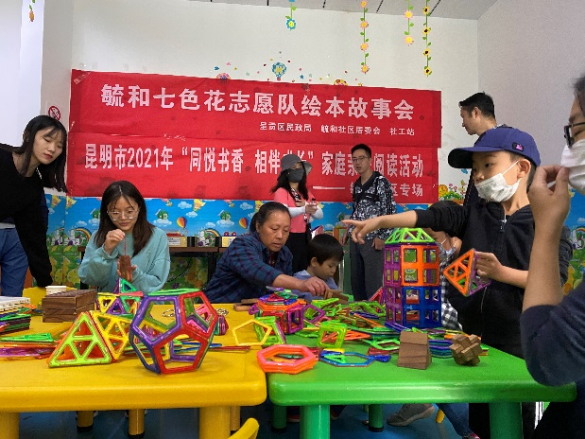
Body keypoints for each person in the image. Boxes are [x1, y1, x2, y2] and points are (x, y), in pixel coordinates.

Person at [344, 126, 573, 439]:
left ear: (521, 168)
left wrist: (501, 273)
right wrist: (382, 221)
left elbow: (553, 281)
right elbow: (430, 217)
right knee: (481, 421)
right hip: (477, 341)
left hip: (521, 348)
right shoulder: (475, 215)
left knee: (517, 423)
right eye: (475, 169)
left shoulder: (545, 223)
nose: (479, 175)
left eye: (487, 165)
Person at [520, 73, 585, 439]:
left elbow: (548, 361)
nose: (479, 176)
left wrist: (546, 227)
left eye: (576, 130)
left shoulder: (535, 218)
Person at [387, 201, 479, 439]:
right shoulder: (429, 255)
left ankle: (468, 429)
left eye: (434, 236)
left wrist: (424, 304)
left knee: (430, 363)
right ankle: (418, 401)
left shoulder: (464, 257)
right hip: (431, 323)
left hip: (454, 330)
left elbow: (466, 311)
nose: (428, 242)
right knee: (405, 340)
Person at [205, 201, 327, 303]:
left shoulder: (285, 254)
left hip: (254, 313)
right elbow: (257, 271)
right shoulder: (241, 245)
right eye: (274, 229)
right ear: (258, 226)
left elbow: (281, 292)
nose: (280, 236)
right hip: (218, 310)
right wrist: (301, 284)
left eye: (286, 230)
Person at [0, 115, 68, 291]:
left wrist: (45, 280)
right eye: (47, 140)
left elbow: (33, 234)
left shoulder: (33, 186)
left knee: (12, 302)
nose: (52, 148)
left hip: (13, 240)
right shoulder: (2, 157)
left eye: (59, 145)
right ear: (28, 135)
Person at [78, 180, 170, 293]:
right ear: (106, 212)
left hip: (144, 303)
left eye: (129, 211)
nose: (123, 217)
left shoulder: (157, 237)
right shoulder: (99, 236)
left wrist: (134, 276)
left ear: (139, 208)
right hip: (108, 303)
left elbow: (157, 284)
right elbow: (89, 279)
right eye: (115, 212)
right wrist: (106, 251)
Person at [342, 143, 396, 301]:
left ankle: (374, 313)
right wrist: (348, 230)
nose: (357, 163)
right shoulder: (357, 184)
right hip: (356, 238)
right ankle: (360, 312)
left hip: (373, 239)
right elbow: (357, 210)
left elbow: (389, 211)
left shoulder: (381, 182)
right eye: (354, 159)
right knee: (356, 281)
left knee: (373, 283)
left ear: (370, 160)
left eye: (361, 158)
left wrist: (382, 236)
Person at [272, 154, 323, 273]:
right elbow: (283, 213)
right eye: (294, 167)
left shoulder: (306, 193)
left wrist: (306, 204)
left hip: (304, 237)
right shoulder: (281, 191)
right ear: (287, 172)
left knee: (303, 271)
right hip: (288, 237)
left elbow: (320, 214)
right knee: (288, 270)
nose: (298, 170)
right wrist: (303, 209)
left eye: (300, 167)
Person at [458, 93, 499, 207]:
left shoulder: (499, 143)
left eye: (463, 117)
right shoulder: (484, 141)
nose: (463, 124)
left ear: (475, 112)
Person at [292, 233, 344, 302]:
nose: (334, 270)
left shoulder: (330, 280)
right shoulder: (298, 280)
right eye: (330, 266)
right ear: (314, 262)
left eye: (336, 266)